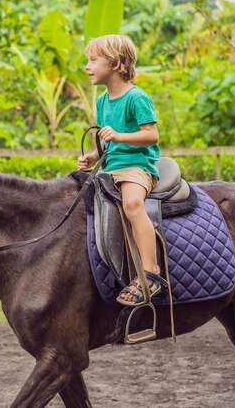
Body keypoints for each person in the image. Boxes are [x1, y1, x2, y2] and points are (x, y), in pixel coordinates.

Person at [77, 35, 163, 306]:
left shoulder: (137, 97)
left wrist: (121, 136)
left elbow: (151, 136)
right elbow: (106, 139)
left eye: (93, 60)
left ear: (114, 63)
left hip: (136, 166)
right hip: (110, 167)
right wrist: (93, 156)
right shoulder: (102, 101)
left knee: (133, 204)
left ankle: (150, 273)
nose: (87, 66)